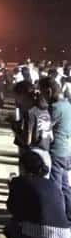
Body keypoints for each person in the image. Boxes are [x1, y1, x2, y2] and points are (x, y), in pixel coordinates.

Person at [4, 148, 70, 238]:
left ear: (23, 167)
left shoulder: (19, 181)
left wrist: (11, 189)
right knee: (46, 228)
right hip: (64, 235)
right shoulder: (52, 183)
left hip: (38, 233)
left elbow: (13, 208)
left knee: (10, 228)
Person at [40, 77, 71, 220]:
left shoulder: (55, 108)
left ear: (49, 91)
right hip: (66, 150)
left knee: (55, 186)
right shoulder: (67, 105)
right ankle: (68, 213)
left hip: (56, 151)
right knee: (65, 185)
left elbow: (46, 126)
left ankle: (57, 217)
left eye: (43, 93)